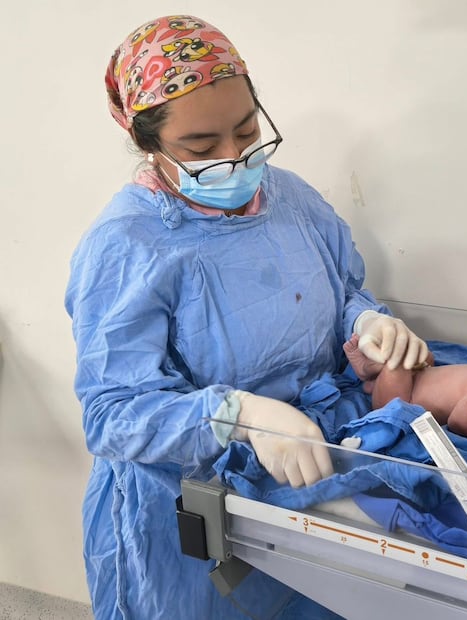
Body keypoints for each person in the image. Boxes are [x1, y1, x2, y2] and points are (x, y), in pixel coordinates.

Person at [65, 14, 430, 620]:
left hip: (304, 483)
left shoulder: (291, 199)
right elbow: (113, 414)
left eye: (247, 130)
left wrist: (366, 324)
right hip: (190, 517)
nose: (234, 158)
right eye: (202, 148)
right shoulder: (126, 247)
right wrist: (239, 417)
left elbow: (341, 290)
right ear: (150, 144)